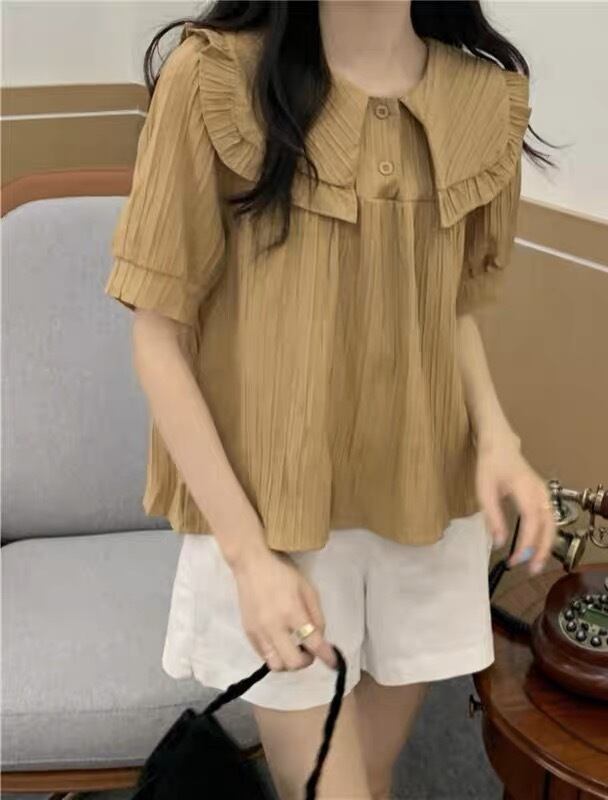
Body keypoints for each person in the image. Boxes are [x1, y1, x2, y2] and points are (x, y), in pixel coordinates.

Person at [103, 1, 556, 797]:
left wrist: (497, 438)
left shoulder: (478, 99)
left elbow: (450, 308)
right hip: (273, 522)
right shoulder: (212, 80)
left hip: (423, 507)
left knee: (370, 779)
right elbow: (159, 339)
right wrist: (248, 558)